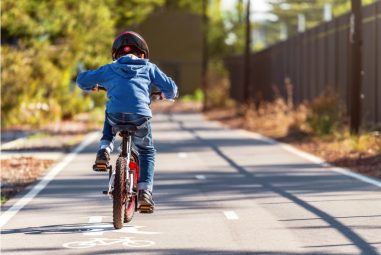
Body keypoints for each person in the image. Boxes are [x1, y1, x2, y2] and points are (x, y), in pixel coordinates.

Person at [76, 31, 178, 212]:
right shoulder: (149, 67)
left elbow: (81, 79)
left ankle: (104, 149)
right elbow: (171, 88)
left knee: (110, 111)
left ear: (117, 55)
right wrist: (164, 95)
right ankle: (145, 192)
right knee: (147, 151)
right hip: (139, 117)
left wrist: (92, 86)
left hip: (116, 116)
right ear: (143, 54)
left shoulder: (110, 68)